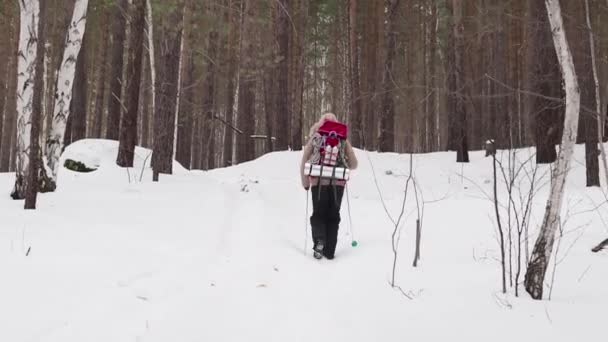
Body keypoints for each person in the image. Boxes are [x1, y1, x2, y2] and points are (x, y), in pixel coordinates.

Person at [300, 113, 358, 259]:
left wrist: (306, 183)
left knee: (318, 215)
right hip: (338, 184)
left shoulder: (316, 135)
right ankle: (330, 251)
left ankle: (319, 240)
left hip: (318, 183)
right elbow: (354, 164)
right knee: (333, 216)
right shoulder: (342, 137)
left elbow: (304, 160)